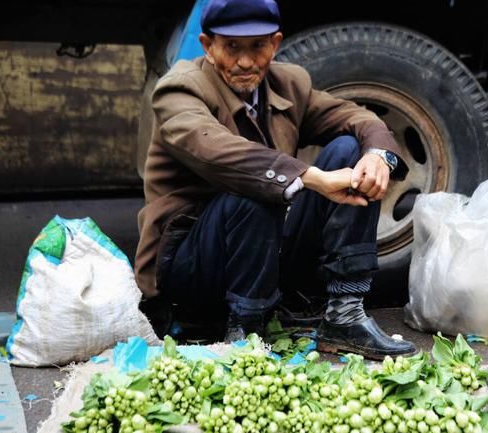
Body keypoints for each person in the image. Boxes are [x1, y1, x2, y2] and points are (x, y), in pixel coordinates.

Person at [135, 0, 416, 359]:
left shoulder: (289, 83)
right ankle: (245, 332)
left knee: (349, 150)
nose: (246, 62)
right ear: (207, 46)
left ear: (276, 43)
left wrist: (377, 156)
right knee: (260, 184)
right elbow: (218, 151)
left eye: (258, 46)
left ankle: (344, 315)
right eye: (231, 47)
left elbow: (353, 116)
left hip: (260, 256)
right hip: (191, 270)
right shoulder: (180, 89)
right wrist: (310, 177)